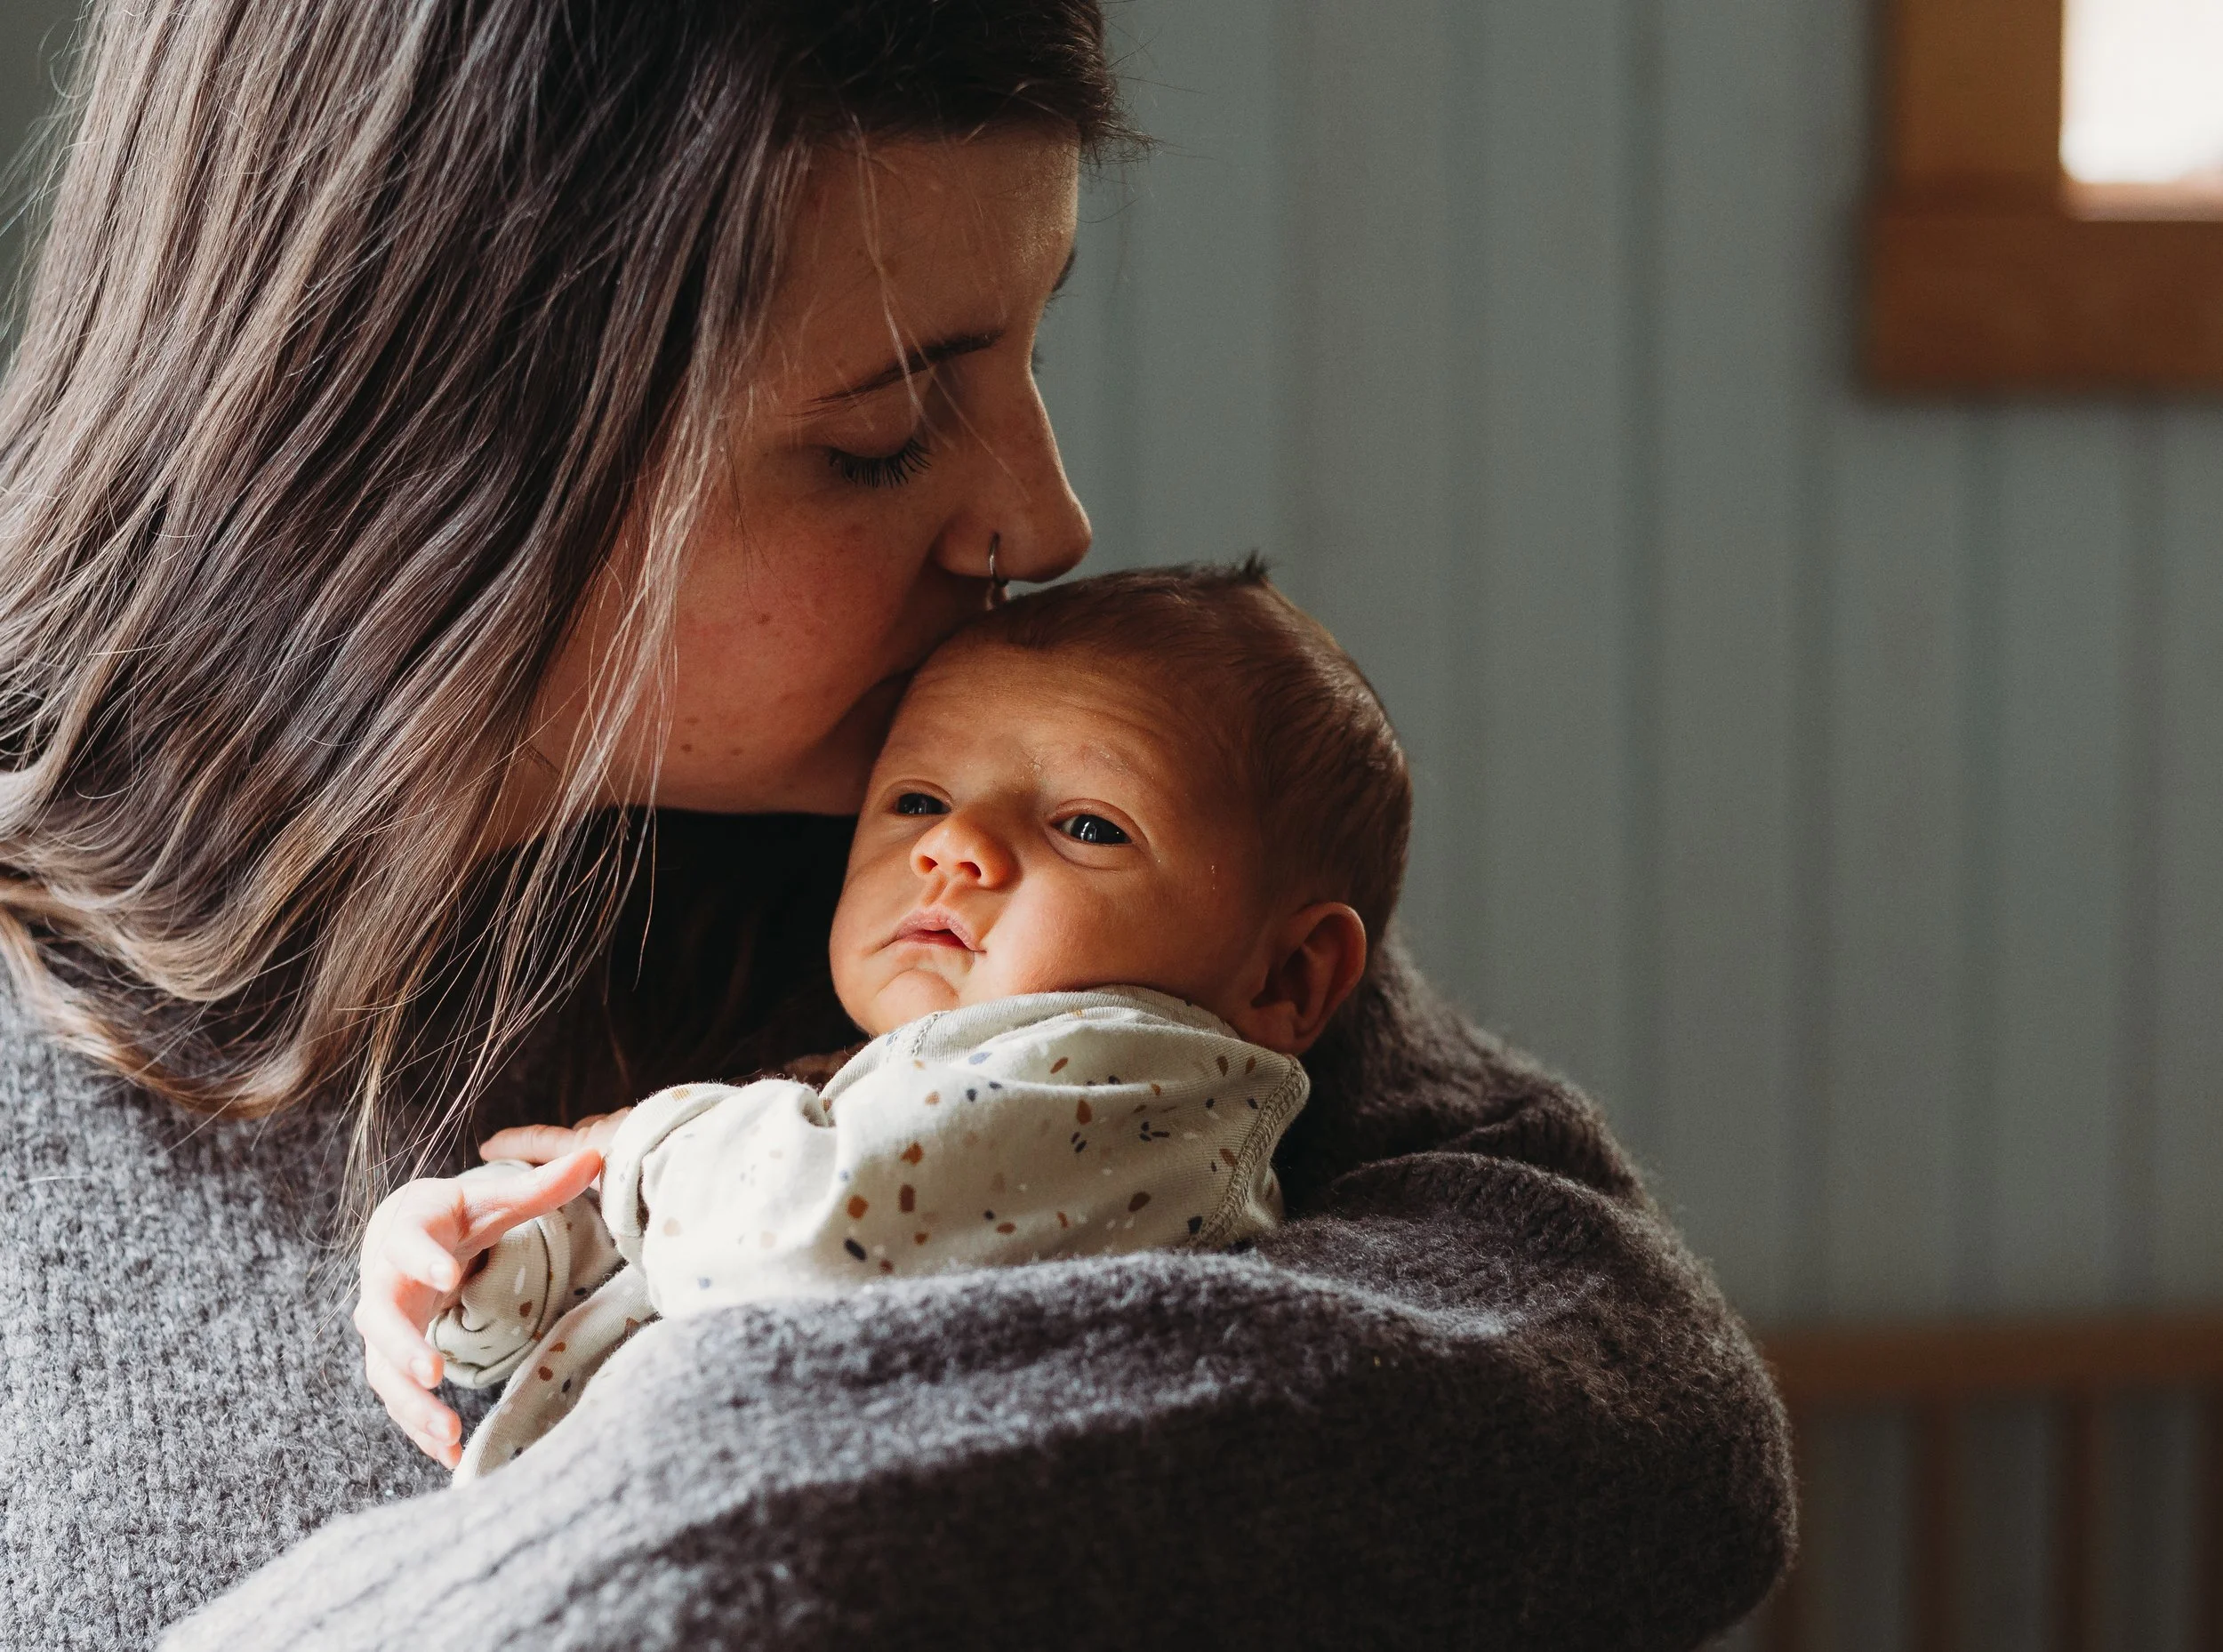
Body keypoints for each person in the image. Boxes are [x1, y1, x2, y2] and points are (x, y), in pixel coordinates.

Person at [0, 4, 1793, 1649]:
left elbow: (1612, 1392)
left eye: (1027, 344)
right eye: (880, 435)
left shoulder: (995, 876)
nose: (1046, 514)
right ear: (417, 443)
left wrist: (661, 1499)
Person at [364, 565, 1391, 1480]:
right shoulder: (856, 1097)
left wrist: (639, 1145)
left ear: (1290, 976)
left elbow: (795, 1242)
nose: (953, 845)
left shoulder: (1140, 1090)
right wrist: (490, 1257)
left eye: (1087, 825)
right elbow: (673, 1256)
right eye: (913, 800)